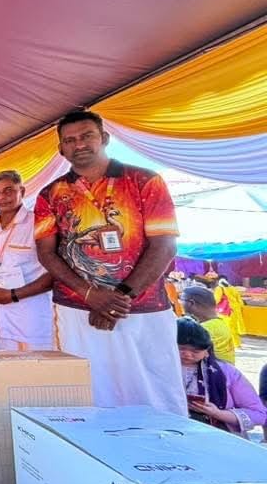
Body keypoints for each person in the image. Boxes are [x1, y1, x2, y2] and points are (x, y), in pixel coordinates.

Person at [35, 111, 186, 414]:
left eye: (86, 136)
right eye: (70, 140)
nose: (79, 144)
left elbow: (165, 245)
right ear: (61, 149)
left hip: (141, 309)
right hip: (76, 310)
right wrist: (90, 295)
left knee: (153, 394)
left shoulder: (145, 180)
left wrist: (119, 299)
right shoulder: (50, 194)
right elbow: (47, 253)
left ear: (104, 138)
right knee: (84, 393)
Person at [0, 171, 54, 351]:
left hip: (31, 322)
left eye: (8, 191)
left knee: (34, 369)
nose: (2, 197)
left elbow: (55, 273)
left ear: (22, 191)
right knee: (2, 368)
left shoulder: (38, 223)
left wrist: (14, 294)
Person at [177, 317, 265, 438]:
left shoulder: (226, 372)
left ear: (207, 351)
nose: (187, 354)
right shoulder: (156, 370)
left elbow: (258, 414)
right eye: (181, 348)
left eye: (195, 351)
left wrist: (217, 413)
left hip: (218, 436)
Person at [181, 285, 236, 363]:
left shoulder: (204, 329)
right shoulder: (220, 321)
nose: (180, 303)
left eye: (181, 300)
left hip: (214, 369)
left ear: (191, 303)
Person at [214, 278, 247, 352]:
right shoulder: (233, 288)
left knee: (226, 328)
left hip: (225, 311)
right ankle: (237, 344)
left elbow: (216, 300)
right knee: (234, 328)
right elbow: (240, 301)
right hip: (235, 310)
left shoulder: (219, 288)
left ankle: (230, 344)